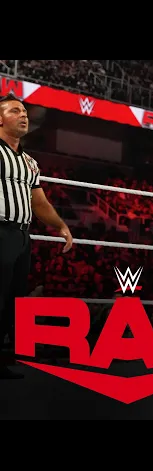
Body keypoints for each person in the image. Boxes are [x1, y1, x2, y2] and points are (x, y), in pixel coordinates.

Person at [0, 94, 73, 379]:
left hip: (21, 235)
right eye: (14, 111)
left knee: (13, 299)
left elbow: (39, 202)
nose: (23, 115)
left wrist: (60, 226)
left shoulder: (30, 162)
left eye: (24, 111)